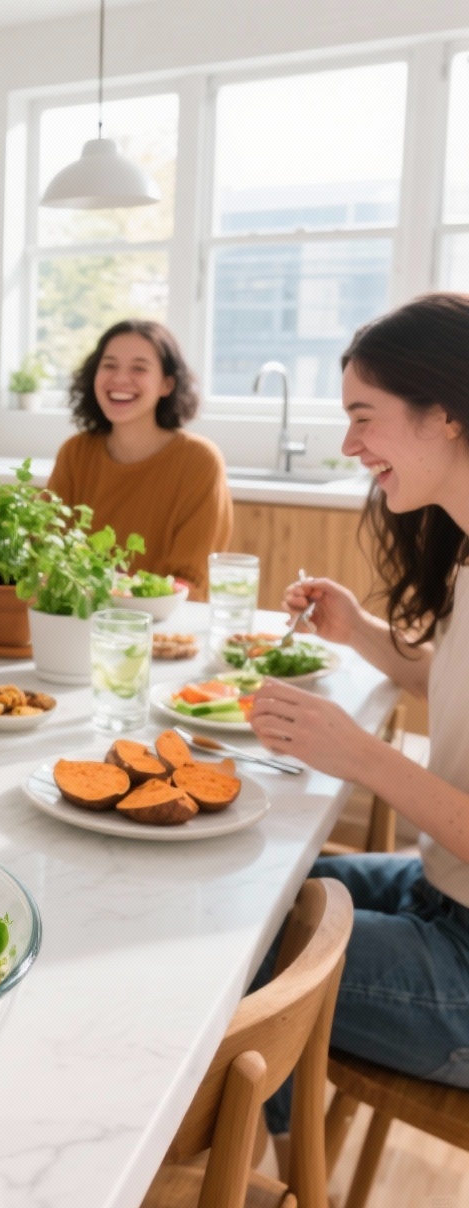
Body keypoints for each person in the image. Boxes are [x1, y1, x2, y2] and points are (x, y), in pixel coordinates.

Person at [248, 292, 469, 1135]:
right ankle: (271, 1144)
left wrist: (362, 756)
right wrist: (361, 634)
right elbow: (454, 680)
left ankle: (237, 1172)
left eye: (363, 417)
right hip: (443, 893)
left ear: (444, 413)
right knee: (256, 895)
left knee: (249, 948)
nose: (350, 445)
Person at [46, 320, 232, 598]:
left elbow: (190, 582)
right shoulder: (76, 452)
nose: (120, 379)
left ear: (166, 384)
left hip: (163, 628)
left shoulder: (199, 460)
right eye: (109, 365)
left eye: (139, 368)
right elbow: (48, 552)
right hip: (79, 618)